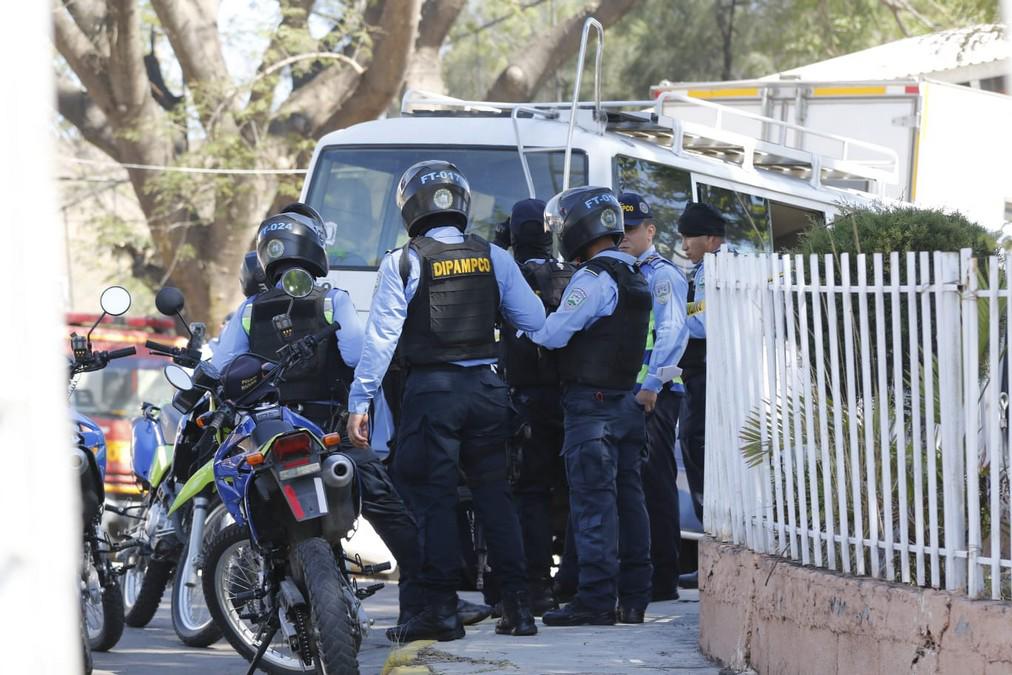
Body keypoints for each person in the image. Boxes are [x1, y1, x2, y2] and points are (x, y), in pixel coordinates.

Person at [346, 160, 546, 642]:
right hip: (486, 391)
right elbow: (535, 319)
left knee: (431, 503)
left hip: (433, 395)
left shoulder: (404, 260)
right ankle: (517, 609)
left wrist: (360, 399)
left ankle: (440, 611)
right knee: (495, 497)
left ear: (410, 206)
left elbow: (381, 339)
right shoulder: (495, 256)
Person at [211, 203, 426, 626]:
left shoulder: (250, 310)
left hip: (270, 433)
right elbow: (359, 356)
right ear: (314, 251)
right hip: (328, 433)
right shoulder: (334, 300)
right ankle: (429, 604)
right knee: (389, 511)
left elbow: (221, 369)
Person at [526, 186, 653, 627]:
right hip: (625, 402)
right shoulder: (637, 275)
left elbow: (556, 333)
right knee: (630, 502)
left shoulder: (593, 279)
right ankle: (635, 597)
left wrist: (530, 331)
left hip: (592, 408)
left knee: (593, 506)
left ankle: (596, 601)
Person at [498, 198, 575, 616]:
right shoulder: (571, 274)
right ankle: (573, 581)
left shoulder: (509, 277)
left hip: (525, 399)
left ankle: (536, 586)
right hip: (566, 398)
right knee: (572, 492)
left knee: (529, 495)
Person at [617, 192, 690, 602]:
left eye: (630, 230)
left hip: (656, 393)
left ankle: (663, 578)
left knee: (655, 483)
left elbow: (673, 333)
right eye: (618, 231)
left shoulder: (662, 275)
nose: (623, 237)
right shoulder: (621, 270)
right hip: (633, 390)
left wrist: (653, 386)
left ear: (650, 231)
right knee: (633, 485)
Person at [676, 202, 727, 522]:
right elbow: (704, 309)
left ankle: (709, 524)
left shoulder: (714, 267)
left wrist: (675, 314)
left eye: (688, 238)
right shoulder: (726, 264)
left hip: (706, 376)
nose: (683, 246)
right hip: (715, 375)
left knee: (695, 445)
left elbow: (706, 321)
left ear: (710, 239)